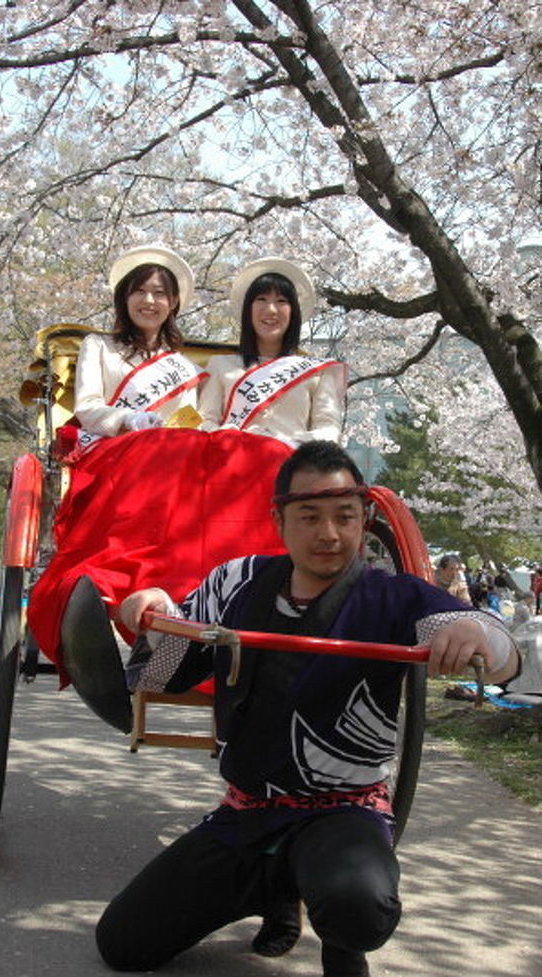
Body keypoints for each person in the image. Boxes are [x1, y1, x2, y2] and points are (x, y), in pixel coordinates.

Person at [94, 441, 519, 977]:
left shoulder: (396, 597)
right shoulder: (237, 581)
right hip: (246, 814)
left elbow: (501, 655)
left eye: (345, 517)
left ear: (365, 519)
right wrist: (153, 611)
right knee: (123, 943)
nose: (330, 535)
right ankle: (275, 890)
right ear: (278, 520)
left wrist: (472, 631)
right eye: (310, 517)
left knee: (358, 906)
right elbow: (163, 674)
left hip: (345, 812)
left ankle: (341, 939)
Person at [198, 257, 347, 446]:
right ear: (248, 310)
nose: (271, 309)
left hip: (292, 469)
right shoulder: (220, 365)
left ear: (293, 312)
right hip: (233, 468)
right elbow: (205, 421)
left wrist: (286, 442)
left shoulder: (317, 373)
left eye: (281, 301)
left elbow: (329, 430)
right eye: (261, 299)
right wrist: (230, 437)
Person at [74, 244, 206, 447]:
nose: (149, 300)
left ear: (173, 302)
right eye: (139, 291)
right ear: (125, 298)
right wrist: (128, 419)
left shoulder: (184, 368)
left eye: (159, 293)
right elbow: (86, 407)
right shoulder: (98, 346)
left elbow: (187, 426)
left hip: (165, 457)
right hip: (109, 453)